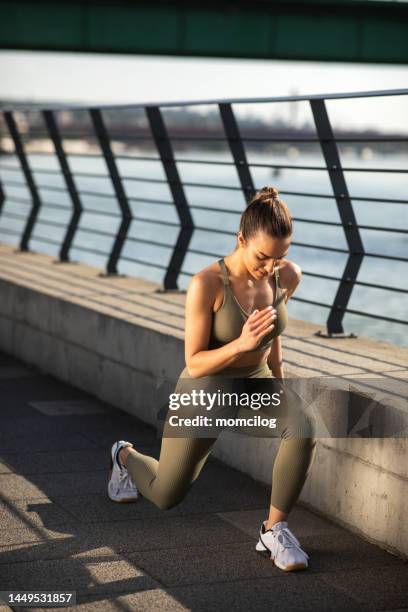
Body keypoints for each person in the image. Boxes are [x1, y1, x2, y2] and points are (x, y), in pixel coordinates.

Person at [107, 186, 317, 572]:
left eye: (280, 257)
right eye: (262, 256)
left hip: (256, 383)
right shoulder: (207, 284)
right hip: (204, 391)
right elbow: (196, 362)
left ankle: (273, 530)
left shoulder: (286, 275)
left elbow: (273, 336)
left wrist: (280, 382)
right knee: (167, 493)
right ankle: (123, 455)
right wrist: (240, 344)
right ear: (241, 239)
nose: (270, 266)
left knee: (302, 427)